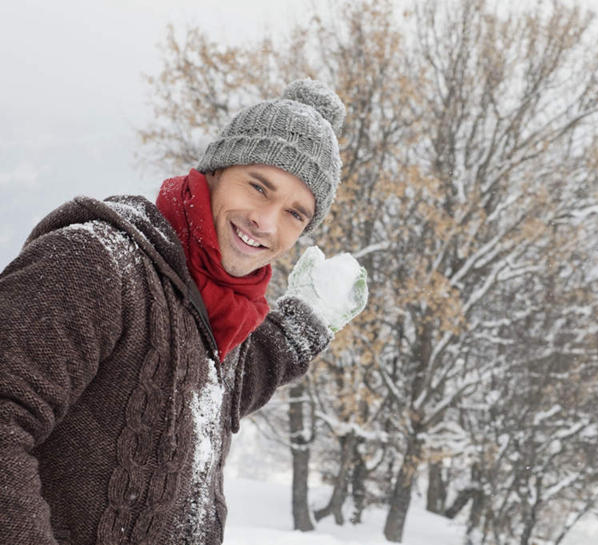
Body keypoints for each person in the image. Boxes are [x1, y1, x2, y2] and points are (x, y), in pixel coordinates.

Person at [0, 79, 367, 545]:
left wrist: (303, 325)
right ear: (215, 171)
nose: (267, 221)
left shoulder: (220, 311)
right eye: (259, 187)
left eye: (295, 213)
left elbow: (205, 388)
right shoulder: (98, 263)